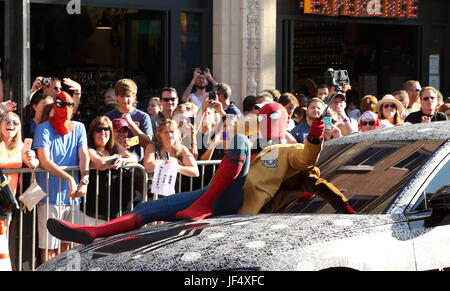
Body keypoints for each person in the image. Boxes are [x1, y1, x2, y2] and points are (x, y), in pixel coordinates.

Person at [46, 103, 355, 245]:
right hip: (215, 195)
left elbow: (308, 159)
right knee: (147, 208)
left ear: (281, 121)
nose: (264, 122)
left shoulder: (287, 151)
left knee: (241, 140)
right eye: (262, 117)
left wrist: (315, 133)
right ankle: (92, 233)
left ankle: (203, 205)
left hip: (236, 203)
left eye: (269, 118)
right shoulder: (259, 143)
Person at [33, 91, 89, 262]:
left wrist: (84, 180)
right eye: (61, 105)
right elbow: (44, 160)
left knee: (69, 247)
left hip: (72, 197)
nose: (66, 109)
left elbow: (84, 156)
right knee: (49, 248)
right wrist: (70, 178)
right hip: (49, 196)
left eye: (70, 105)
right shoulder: (43, 129)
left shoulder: (78, 128)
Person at [84, 116, 137, 223]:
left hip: (117, 203)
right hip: (96, 206)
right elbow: (100, 163)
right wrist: (116, 157)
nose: (103, 132)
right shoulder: (89, 148)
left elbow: (133, 158)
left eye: (106, 129)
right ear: (92, 133)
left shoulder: (115, 145)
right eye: (99, 129)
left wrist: (124, 161)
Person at [105, 79, 153, 163]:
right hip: (114, 164)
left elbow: (148, 143)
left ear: (134, 96)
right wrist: (117, 142)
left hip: (137, 166)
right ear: (117, 96)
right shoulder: (108, 117)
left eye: (128, 96)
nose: (125, 100)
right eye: (122, 96)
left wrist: (131, 124)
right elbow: (102, 142)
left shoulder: (143, 117)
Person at [0, 112, 39, 196]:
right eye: (6, 120)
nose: (11, 124)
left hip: (8, 198)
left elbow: (34, 164)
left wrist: (32, 158)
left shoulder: (20, 146)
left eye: (15, 122)